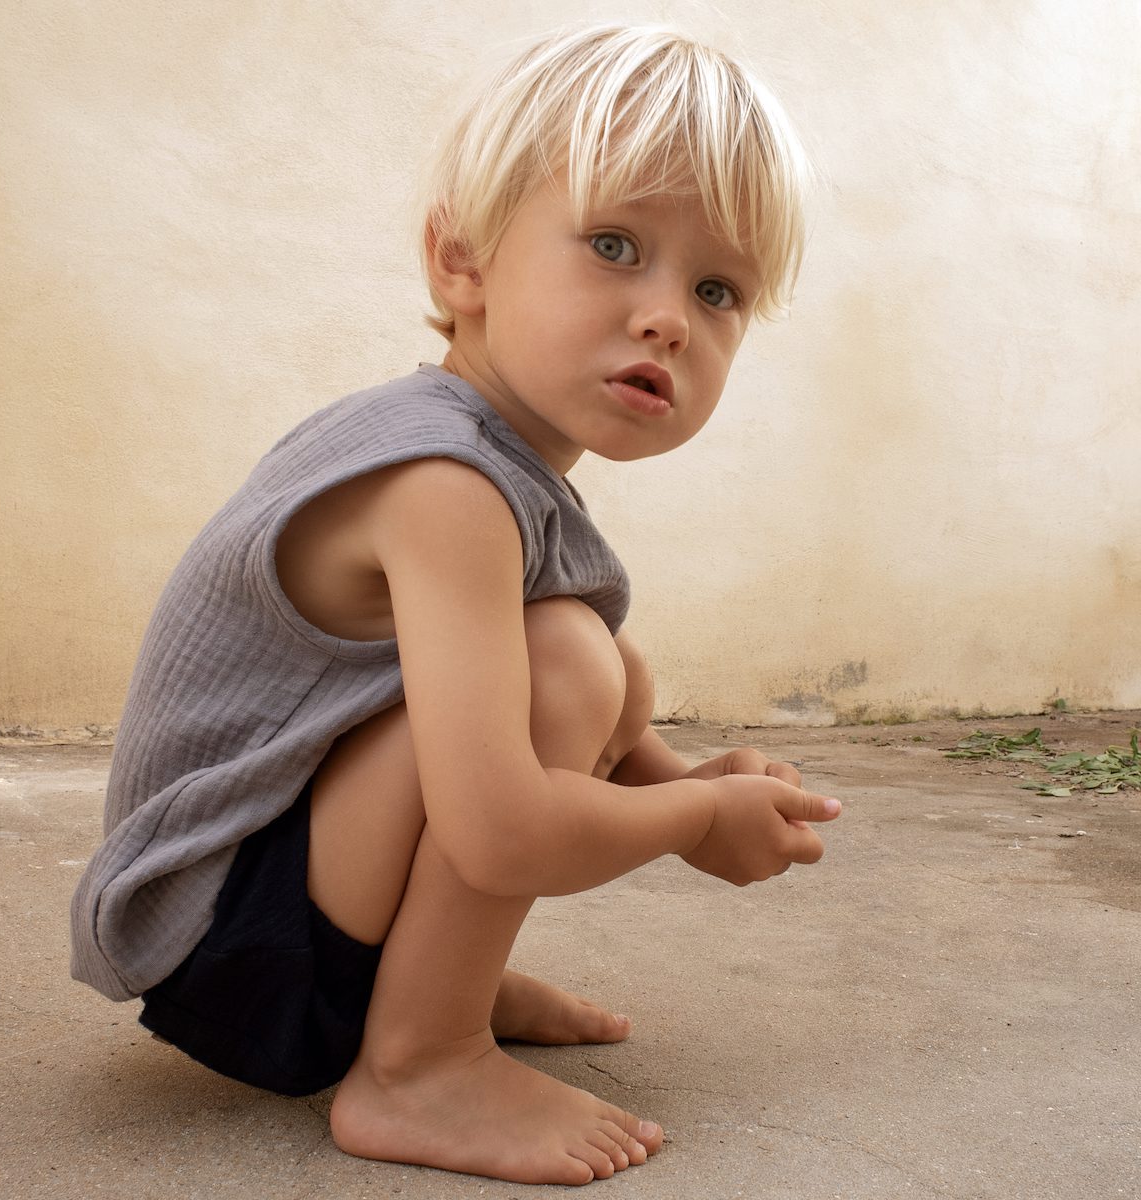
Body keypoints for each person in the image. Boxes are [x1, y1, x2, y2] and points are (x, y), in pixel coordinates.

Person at [70, 24, 840, 1186]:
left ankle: (427, 988)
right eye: (615, 245)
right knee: (570, 662)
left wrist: (688, 782)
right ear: (461, 264)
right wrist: (694, 822)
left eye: (716, 288)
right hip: (225, 946)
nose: (668, 317)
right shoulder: (444, 486)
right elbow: (501, 830)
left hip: (268, 904)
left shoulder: (487, 463)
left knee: (604, 666)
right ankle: (421, 1060)